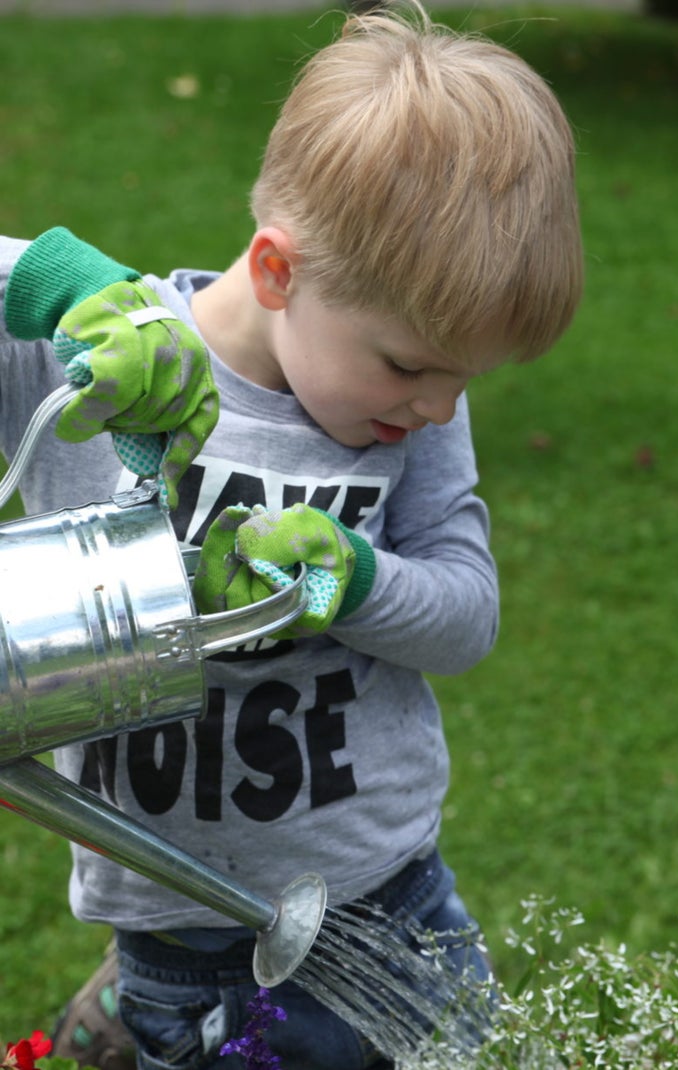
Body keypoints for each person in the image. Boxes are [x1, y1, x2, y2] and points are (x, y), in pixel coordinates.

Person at [0, 3, 583, 1068]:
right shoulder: (109, 365)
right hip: (191, 945)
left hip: (394, 901)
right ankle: (115, 1019)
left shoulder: (410, 418)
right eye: (410, 365)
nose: (441, 407)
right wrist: (53, 279)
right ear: (277, 271)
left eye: (466, 378)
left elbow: (466, 614)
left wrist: (359, 580)